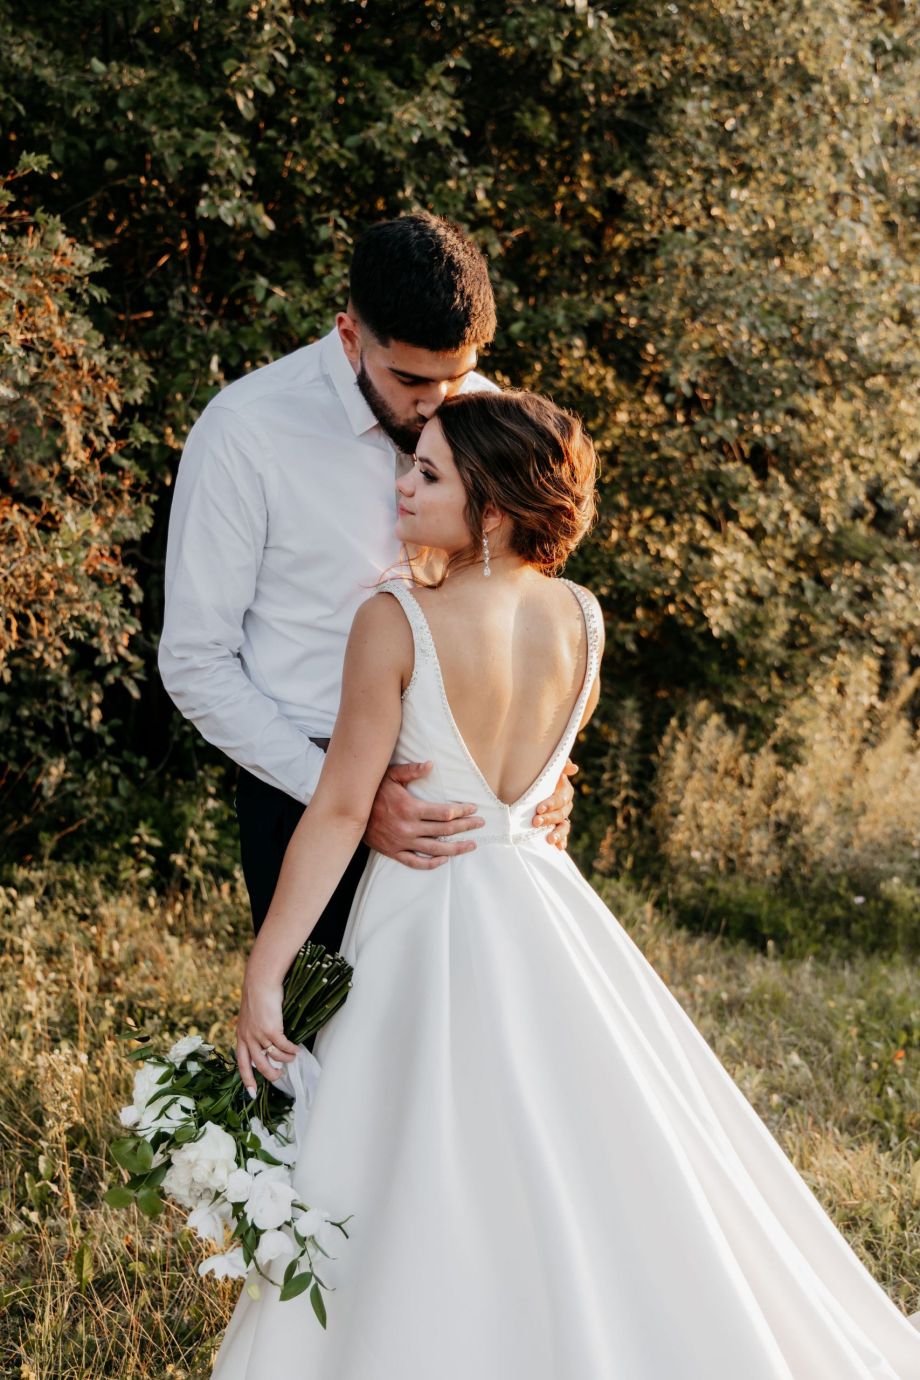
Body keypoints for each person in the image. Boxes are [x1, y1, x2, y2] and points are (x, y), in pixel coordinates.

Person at [212, 389, 920, 1379]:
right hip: (543, 909)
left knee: (413, 1155)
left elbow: (338, 811)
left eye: (426, 474)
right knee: (578, 1150)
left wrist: (266, 971)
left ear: (491, 508)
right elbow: (542, 788)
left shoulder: (393, 620)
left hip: (426, 919)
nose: (401, 488)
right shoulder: (581, 620)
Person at [158, 213, 576, 952]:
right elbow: (195, 661)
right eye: (412, 379)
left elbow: (528, 598)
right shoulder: (246, 432)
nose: (440, 404)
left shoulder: (483, 412)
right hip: (305, 781)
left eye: (459, 374)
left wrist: (546, 764)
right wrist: (338, 791)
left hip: (473, 793)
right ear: (350, 335)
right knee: (317, 1050)